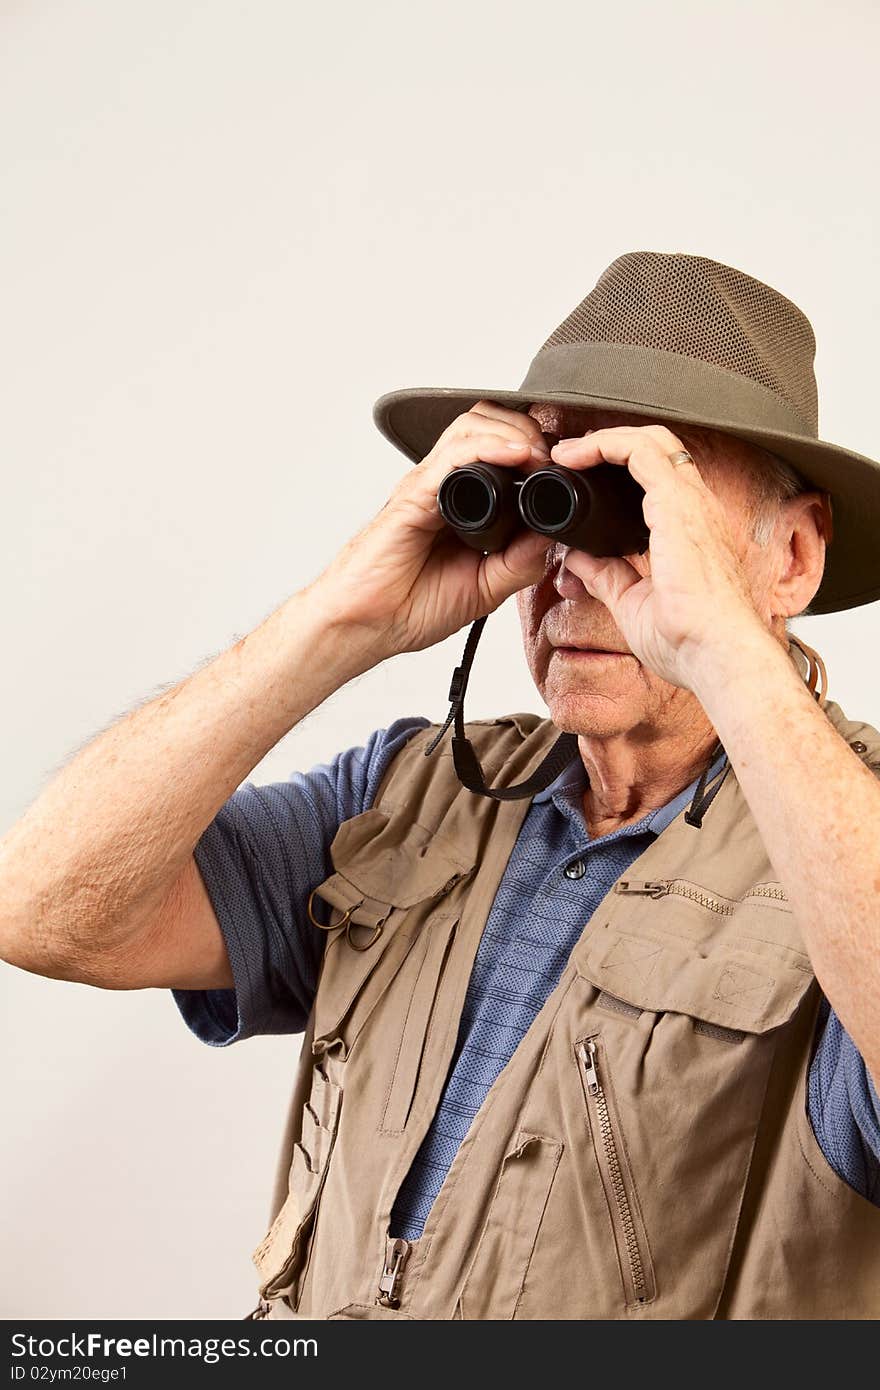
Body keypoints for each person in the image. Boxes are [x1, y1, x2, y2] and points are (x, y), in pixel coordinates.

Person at [2, 250, 880, 1320]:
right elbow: (46, 909)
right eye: (550, 499)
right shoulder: (414, 792)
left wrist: (719, 646)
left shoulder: (848, 842)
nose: (572, 565)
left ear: (790, 556)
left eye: (644, 506)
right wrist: (341, 620)